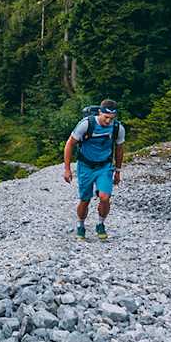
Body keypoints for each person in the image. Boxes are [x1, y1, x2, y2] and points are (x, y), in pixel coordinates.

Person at [63, 99, 125, 240]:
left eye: (112, 118)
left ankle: (100, 224)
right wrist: (67, 169)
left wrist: (118, 171)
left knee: (105, 197)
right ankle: (81, 225)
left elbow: (119, 149)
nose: (108, 121)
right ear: (99, 112)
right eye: (106, 117)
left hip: (104, 166)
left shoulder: (117, 128)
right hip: (85, 166)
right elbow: (69, 144)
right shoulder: (86, 124)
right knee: (85, 200)